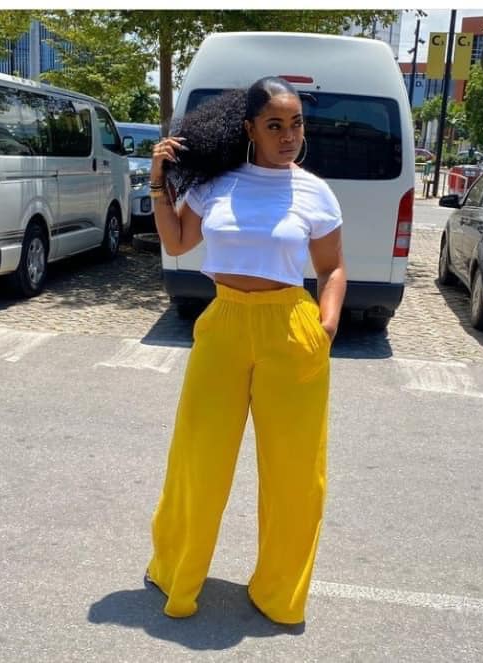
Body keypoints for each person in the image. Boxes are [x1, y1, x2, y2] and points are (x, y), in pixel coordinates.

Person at [145, 76, 347, 625]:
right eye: (274, 125)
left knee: (295, 474)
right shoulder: (218, 184)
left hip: (291, 330)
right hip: (225, 324)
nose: (289, 136)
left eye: (296, 124)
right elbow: (177, 241)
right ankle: (176, 571)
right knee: (198, 458)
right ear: (249, 129)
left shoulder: (315, 192)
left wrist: (326, 325)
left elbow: (332, 268)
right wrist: (158, 180)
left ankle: (279, 593)